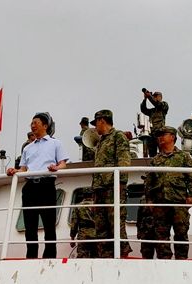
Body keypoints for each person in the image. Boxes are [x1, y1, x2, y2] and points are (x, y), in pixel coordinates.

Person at [6, 112, 68, 258]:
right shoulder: (27, 148)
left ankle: (50, 256)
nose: (32, 126)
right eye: (32, 123)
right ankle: (31, 255)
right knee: (30, 224)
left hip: (46, 185)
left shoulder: (55, 143)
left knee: (49, 223)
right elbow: (23, 169)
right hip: (30, 187)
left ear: (45, 126)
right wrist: (14, 171)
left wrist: (56, 168)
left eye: (36, 123)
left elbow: (63, 163)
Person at [143, 126, 192, 259]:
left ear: (172, 137)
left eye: (164, 135)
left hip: (179, 201)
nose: (160, 138)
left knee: (181, 232)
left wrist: (191, 196)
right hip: (160, 203)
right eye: (159, 135)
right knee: (161, 235)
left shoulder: (183, 157)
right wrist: (149, 200)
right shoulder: (155, 160)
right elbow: (149, 182)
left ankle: (181, 260)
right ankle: (164, 261)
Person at [90, 109, 132, 258]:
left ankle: (123, 255)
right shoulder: (100, 141)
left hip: (112, 187)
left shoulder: (118, 136)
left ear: (102, 120)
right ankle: (105, 256)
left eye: (96, 123)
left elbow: (124, 162)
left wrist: (119, 185)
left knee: (116, 224)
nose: (95, 127)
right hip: (99, 188)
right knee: (101, 226)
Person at [68, 188, 97, 258]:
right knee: (96, 257)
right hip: (97, 234)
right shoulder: (98, 206)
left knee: (82, 257)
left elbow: (74, 223)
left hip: (83, 235)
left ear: (83, 195)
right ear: (92, 195)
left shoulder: (78, 207)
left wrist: (72, 238)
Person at [140, 89, 168, 156]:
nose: (155, 98)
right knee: (152, 153)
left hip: (160, 132)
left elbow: (157, 104)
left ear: (160, 97)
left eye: (156, 96)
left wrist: (149, 96)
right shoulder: (152, 111)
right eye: (154, 96)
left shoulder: (164, 105)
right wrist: (145, 99)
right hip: (152, 133)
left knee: (163, 152)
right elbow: (143, 109)